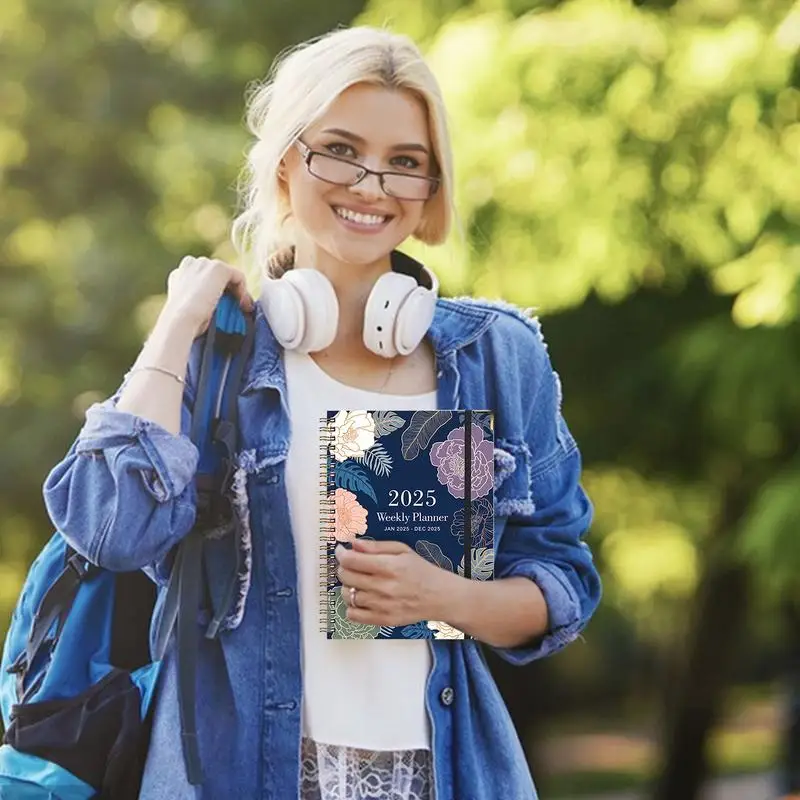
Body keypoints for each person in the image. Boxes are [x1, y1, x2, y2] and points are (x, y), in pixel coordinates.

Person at [43, 25, 602, 800]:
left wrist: (446, 597)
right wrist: (175, 326)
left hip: (439, 773)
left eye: (405, 163)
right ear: (284, 162)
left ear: (431, 188)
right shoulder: (218, 356)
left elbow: (562, 580)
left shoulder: (496, 356)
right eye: (339, 149)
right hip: (238, 773)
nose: (371, 186)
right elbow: (109, 528)